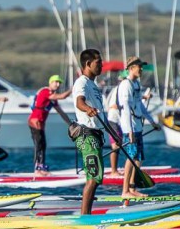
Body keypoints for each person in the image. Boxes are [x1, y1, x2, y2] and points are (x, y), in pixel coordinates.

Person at [117, 56, 160, 198]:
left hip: (138, 127)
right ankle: (125, 191)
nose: (141, 69)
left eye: (141, 66)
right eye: (138, 66)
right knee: (131, 157)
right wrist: (129, 131)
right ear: (131, 68)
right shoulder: (126, 85)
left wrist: (151, 121)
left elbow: (140, 105)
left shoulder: (136, 84)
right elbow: (126, 109)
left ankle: (132, 188)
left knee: (138, 158)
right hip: (130, 127)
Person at [72, 49, 105, 215]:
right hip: (87, 136)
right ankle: (85, 217)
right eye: (98, 63)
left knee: (96, 177)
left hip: (96, 134)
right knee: (93, 178)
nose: (102, 66)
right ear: (88, 64)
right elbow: (79, 102)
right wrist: (88, 109)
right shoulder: (82, 83)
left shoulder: (94, 85)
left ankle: (87, 214)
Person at [28, 74, 71, 176]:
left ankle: (41, 166)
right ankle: (37, 168)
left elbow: (61, 112)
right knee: (38, 145)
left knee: (43, 145)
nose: (57, 84)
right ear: (50, 83)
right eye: (55, 82)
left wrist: (70, 124)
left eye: (59, 83)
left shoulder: (52, 98)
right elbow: (63, 96)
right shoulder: (45, 91)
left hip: (41, 123)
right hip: (34, 121)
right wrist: (72, 90)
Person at [104, 70, 127, 177]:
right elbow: (113, 105)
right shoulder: (118, 89)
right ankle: (113, 171)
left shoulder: (120, 89)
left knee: (119, 145)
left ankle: (116, 169)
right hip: (113, 120)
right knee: (116, 146)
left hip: (118, 121)